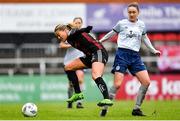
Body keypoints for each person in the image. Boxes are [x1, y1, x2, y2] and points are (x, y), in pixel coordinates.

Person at [99, 2, 161, 116]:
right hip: (122, 54)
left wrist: (153, 50)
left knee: (146, 82)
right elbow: (111, 33)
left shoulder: (142, 25)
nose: (131, 14)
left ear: (138, 13)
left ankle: (136, 109)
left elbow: (145, 38)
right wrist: (100, 41)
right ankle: (105, 108)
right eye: (129, 12)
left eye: (134, 12)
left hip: (135, 56)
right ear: (127, 13)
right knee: (117, 84)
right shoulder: (122, 23)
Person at [54, 23, 113, 108]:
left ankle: (107, 99)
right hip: (89, 56)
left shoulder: (72, 33)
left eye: (59, 35)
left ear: (65, 30)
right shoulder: (69, 39)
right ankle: (78, 93)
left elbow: (77, 32)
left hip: (98, 52)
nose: (59, 38)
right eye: (57, 37)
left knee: (95, 75)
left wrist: (85, 29)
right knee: (68, 67)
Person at [59, 17, 85, 108]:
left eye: (79, 23)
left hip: (80, 61)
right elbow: (61, 45)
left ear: (81, 24)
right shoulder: (68, 33)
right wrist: (70, 44)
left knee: (80, 79)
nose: (78, 24)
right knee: (71, 83)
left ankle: (79, 102)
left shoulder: (84, 33)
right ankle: (70, 101)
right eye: (76, 23)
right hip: (69, 62)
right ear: (73, 23)